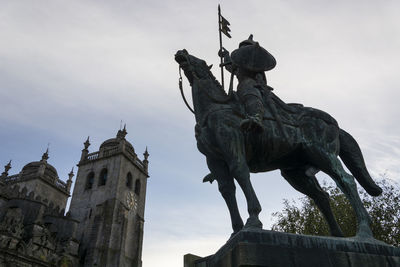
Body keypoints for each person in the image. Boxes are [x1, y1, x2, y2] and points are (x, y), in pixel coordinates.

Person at [219, 35, 276, 132]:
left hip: (252, 84)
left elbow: (260, 78)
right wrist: (226, 56)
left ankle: (256, 116)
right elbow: (231, 67)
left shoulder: (257, 63)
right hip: (242, 86)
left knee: (248, 88)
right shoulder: (240, 64)